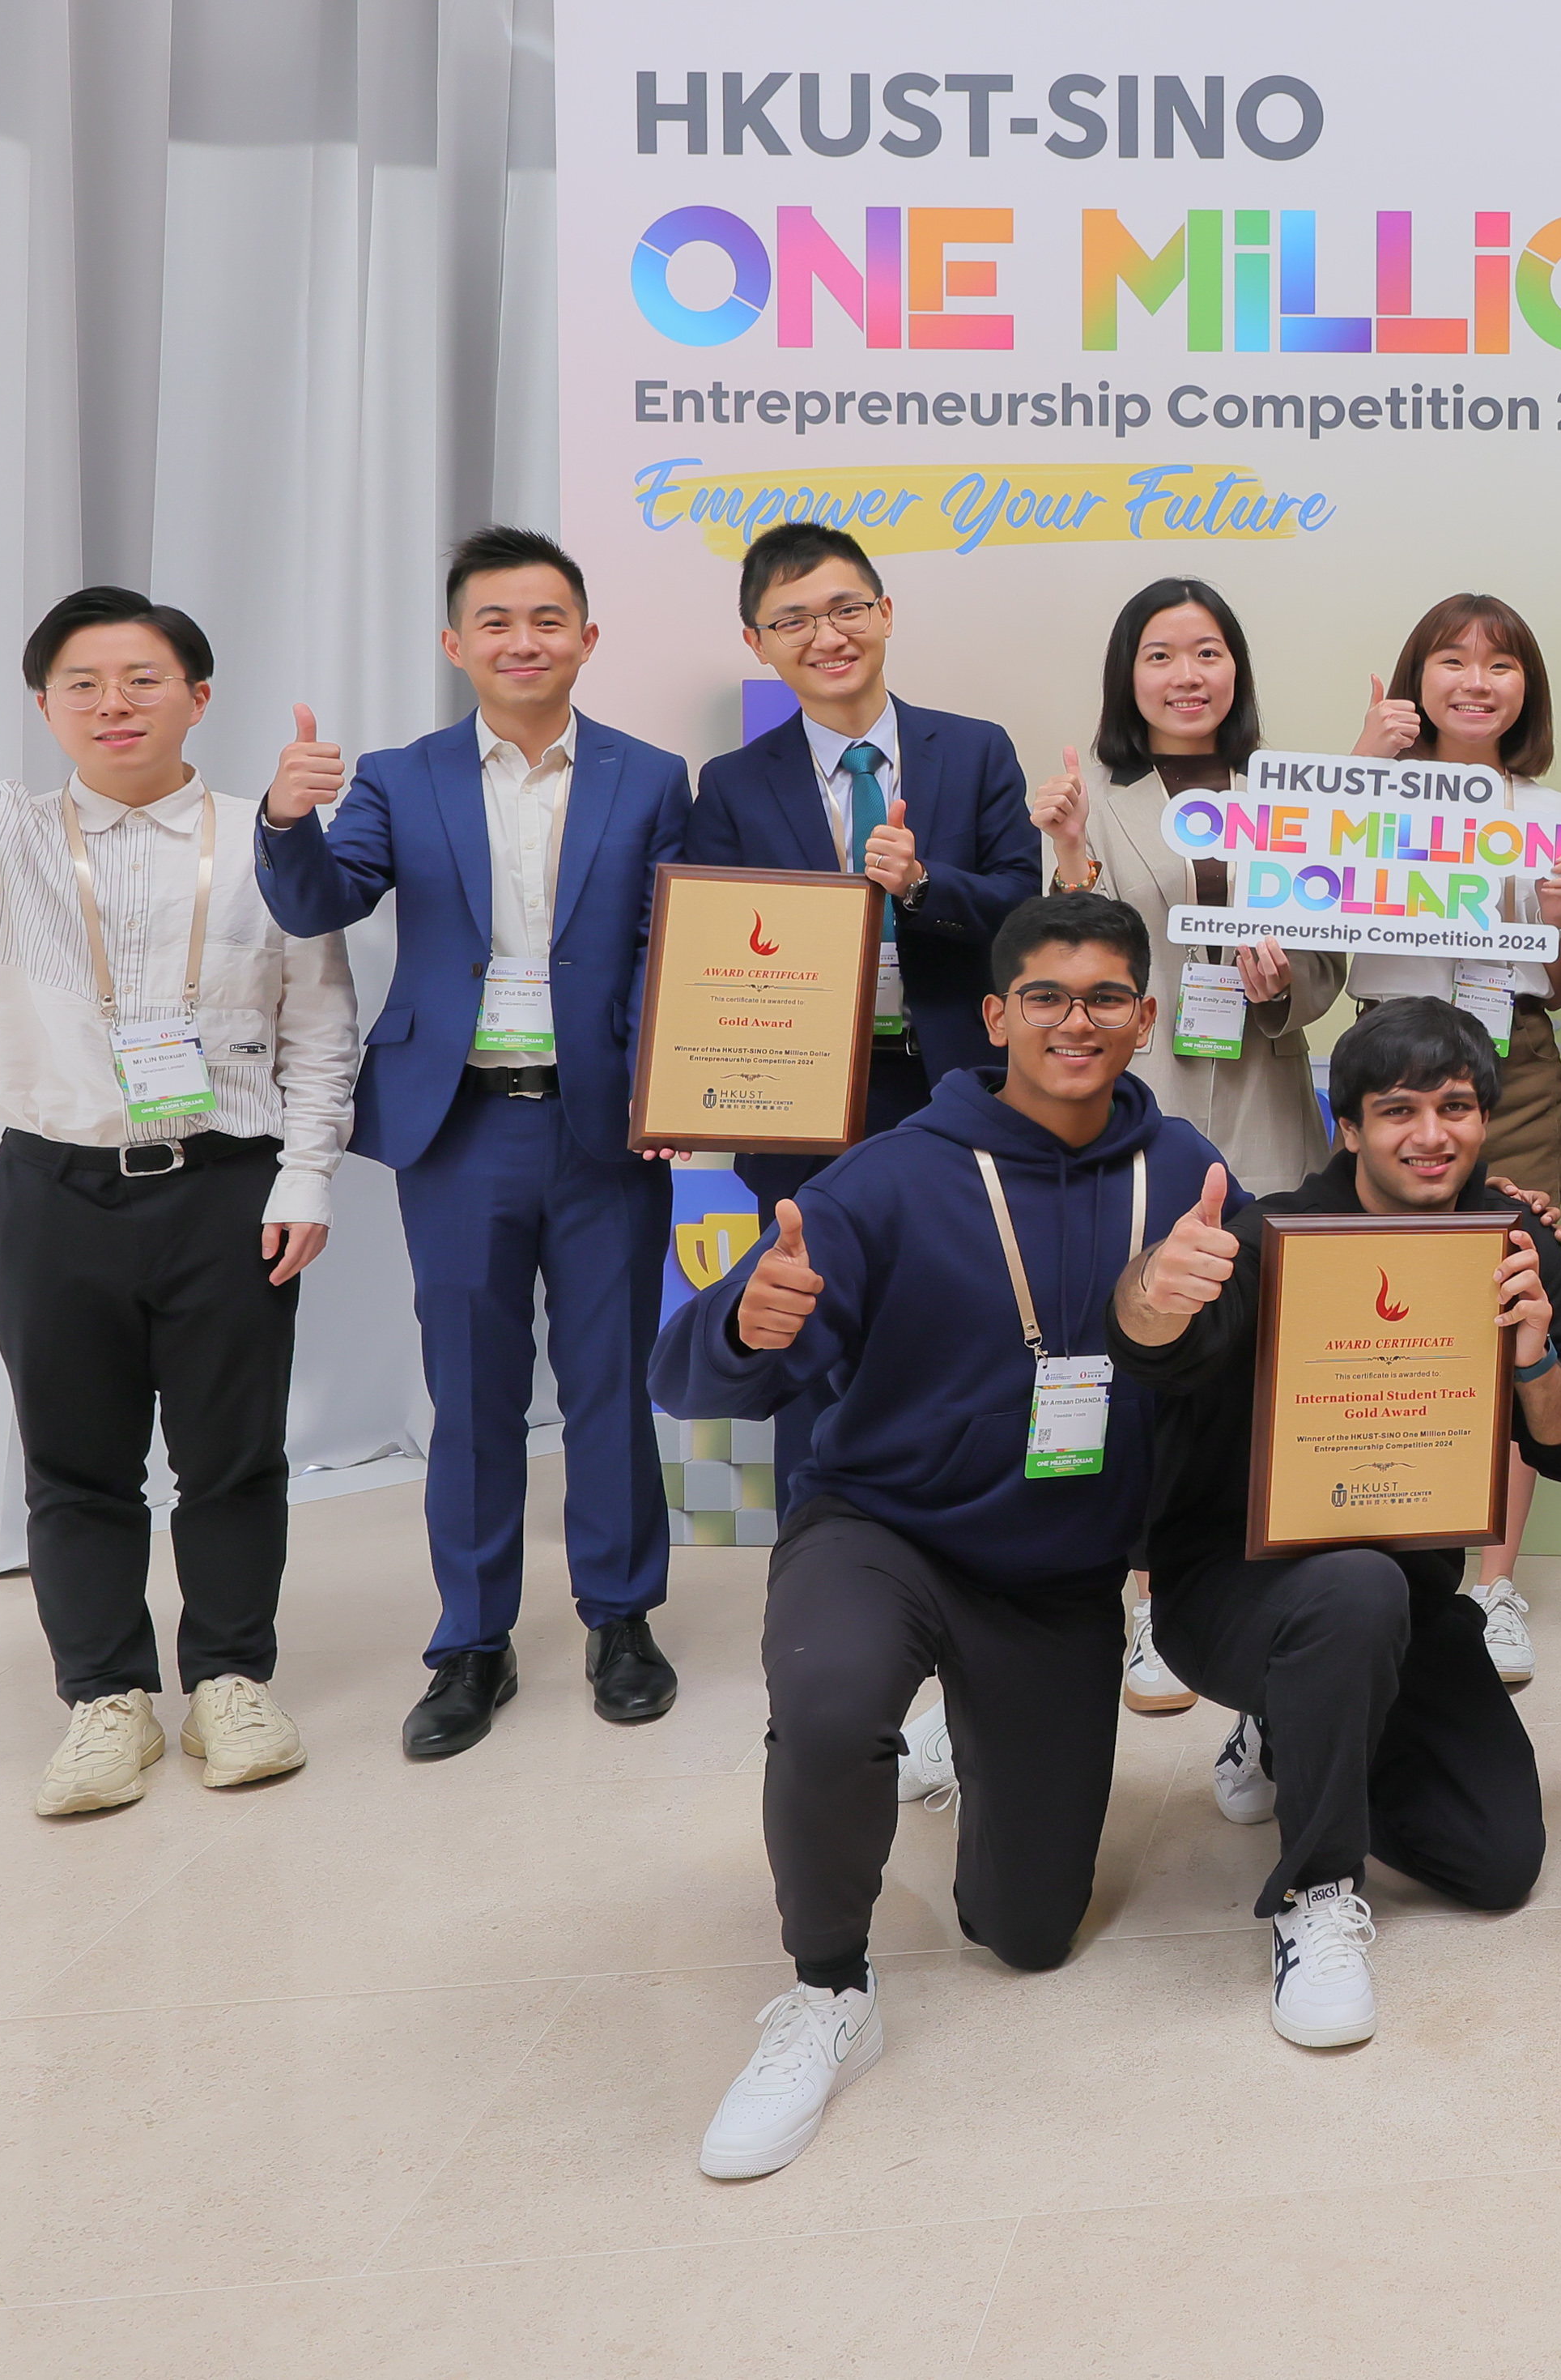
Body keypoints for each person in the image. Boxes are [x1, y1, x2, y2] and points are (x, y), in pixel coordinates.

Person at [655, 889, 1240, 2180]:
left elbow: (1240, 1367)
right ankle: (825, 1996)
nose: (1072, 1022)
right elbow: (694, 1374)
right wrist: (748, 1324)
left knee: (1026, 1933)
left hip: (1058, 1578)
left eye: (1101, 998)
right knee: (827, 1701)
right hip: (885, 1529)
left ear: (1144, 1018)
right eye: (1043, 996)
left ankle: (965, 1738)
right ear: (994, 1016)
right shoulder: (894, 1174)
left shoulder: (1190, 1177)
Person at [0, 595, 353, 1817]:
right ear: (44, 706)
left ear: (199, 698)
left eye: (144, 681)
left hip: (227, 1190)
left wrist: (306, 1173)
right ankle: (106, 1699)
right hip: (52, 1191)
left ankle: (229, 1682)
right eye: (85, 684)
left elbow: (320, 1025)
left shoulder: (263, 840)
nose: (115, 705)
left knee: (233, 1458)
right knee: (76, 1463)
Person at [253, 526, 695, 1759]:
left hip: (604, 1125)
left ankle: (619, 1618)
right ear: (456, 644)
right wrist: (289, 821)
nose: (523, 640)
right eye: (495, 621)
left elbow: (682, 951)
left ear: (587, 639)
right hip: (458, 1129)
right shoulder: (402, 775)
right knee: (473, 1393)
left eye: (547, 618)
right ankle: (472, 1641)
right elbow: (320, 902)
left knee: (609, 1383)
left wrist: (682, 1090)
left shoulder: (653, 774)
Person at [1114, 998, 1561, 2046]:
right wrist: (1152, 1292)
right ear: (1347, 1126)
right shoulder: (1275, 1233)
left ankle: (1296, 1728)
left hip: (1398, 1603)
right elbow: (1155, 1350)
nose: (1430, 1134)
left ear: (1485, 1119)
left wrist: (1529, 1356)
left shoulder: (1511, 1243)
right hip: (1229, 1589)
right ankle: (1315, 1894)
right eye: (1397, 1111)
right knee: (1352, 1585)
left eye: (1455, 1107)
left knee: (1496, 1860)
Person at [1029, 575, 1346, 1715]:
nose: (1186, 675)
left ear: (1236, 671)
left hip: (1263, 1113)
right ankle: (1147, 1607)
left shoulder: (1284, 792)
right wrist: (1068, 853)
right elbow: (1070, 960)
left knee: (1254, 1372)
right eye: (1161, 655)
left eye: (1207, 653)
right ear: (1129, 675)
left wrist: (1280, 981)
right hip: (1141, 1120)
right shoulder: (1097, 799)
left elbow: (1325, 979)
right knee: (1148, 1370)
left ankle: (1251, 1593)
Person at [1342, 591, 1561, 1686]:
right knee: (1378, 1309)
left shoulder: (1551, 807)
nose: (1475, 682)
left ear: (1525, 688)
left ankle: (1492, 1586)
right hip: (1392, 1061)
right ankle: (1371, 1557)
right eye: (1452, 661)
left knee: (1512, 1307)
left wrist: (1560, 911)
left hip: (1517, 1065)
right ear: (1416, 677)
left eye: (1499, 665)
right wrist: (1357, 770)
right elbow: (1308, 916)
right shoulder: (1353, 792)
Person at [679, 522, 1045, 1208]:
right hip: (795, 1101)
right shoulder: (732, 784)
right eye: (793, 622)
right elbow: (711, 952)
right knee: (811, 1306)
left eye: (847, 610)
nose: (828, 637)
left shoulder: (976, 752)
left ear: (885, 613)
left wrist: (922, 885)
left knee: (961, 1305)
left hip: (957, 1086)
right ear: (757, 645)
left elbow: (1023, 912)